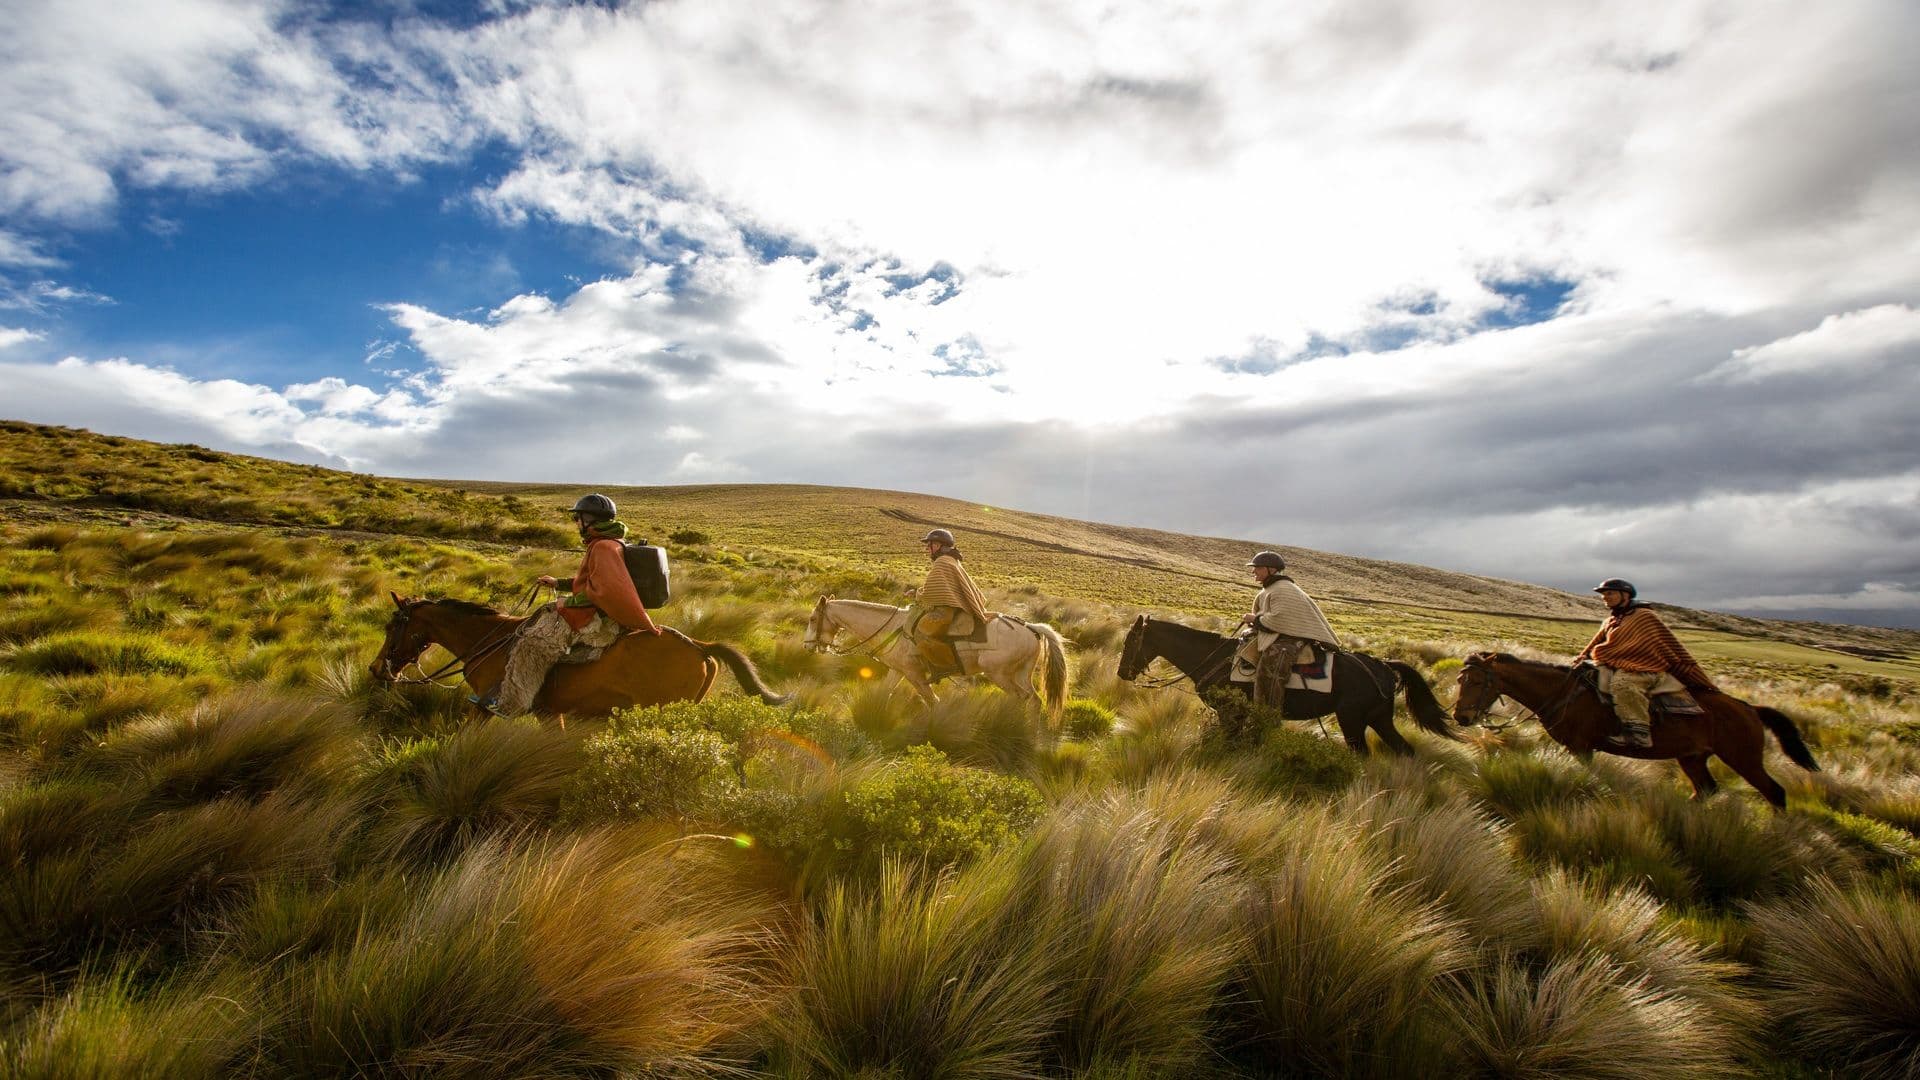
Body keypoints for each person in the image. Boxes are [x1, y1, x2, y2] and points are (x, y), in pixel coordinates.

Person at [484, 493, 661, 717]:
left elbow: (602, 591)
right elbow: (593, 581)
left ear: (590, 519)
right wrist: (559, 583)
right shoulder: (608, 542)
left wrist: (567, 601)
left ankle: (511, 705)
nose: (576, 523)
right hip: (599, 612)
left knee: (532, 643)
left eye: (578, 518)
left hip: (598, 621)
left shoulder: (602, 547)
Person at [1576, 578, 1716, 749]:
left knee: (1623, 685)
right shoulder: (1611, 620)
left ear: (1625, 595)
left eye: (1609, 593)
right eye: (1603, 595)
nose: (1605, 597)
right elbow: (1594, 643)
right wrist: (1582, 657)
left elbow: (1646, 646)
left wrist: (1611, 652)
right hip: (1617, 664)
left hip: (1646, 668)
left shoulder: (1644, 616)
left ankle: (1639, 733)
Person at [1231, 551, 1341, 711]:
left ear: (1271, 569)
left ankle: (1267, 715)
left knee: (1269, 670)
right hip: (1275, 635)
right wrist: (1254, 623)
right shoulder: (1268, 590)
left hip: (1290, 640)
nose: (1253, 571)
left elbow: (1279, 620)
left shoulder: (1283, 589)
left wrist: (1254, 619)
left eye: (1258, 567)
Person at [908, 528, 990, 681]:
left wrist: (919, 595)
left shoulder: (942, 562)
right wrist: (917, 593)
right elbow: (939, 588)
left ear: (938, 545)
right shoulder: (952, 560)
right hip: (953, 606)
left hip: (946, 609)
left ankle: (945, 667)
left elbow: (933, 593)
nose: (927, 549)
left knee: (921, 632)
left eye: (929, 545)